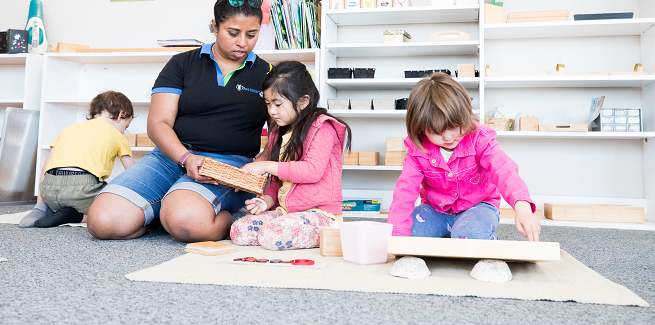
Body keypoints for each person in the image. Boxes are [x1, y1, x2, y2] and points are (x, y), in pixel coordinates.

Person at [87, 0, 271, 242]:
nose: (242, 42)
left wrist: (259, 164)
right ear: (214, 26)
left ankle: (229, 216)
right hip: (170, 158)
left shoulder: (268, 74)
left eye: (251, 34)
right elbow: (158, 123)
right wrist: (185, 159)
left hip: (227, 164)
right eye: (233, 33)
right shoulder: (181, 64)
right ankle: (164, 211)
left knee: (187, 223)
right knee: (103, 222)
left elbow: (281, 133)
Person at [387, 73, 541, 242]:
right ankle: (447, 234)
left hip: (479, 207)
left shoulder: (480, 139)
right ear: (421, 129)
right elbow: (405, 191)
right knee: (410, 233)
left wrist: (522, 205)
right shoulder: (418, 150)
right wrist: (398, 237)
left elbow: (504, 171)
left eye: (453, 127)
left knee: (470, 234)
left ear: (464, 116)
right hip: (436, 210)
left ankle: (465, 236)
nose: (447, 137)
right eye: (435, 132)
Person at [230, 60, 352, 251]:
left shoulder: (322, 128)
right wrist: (264, 202)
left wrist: (265, 165)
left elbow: (312, 171)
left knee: (272, 234)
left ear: (303, 101)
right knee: (239, 231)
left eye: (278, 104)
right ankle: (279, 227)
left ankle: (330, 233)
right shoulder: (278, 133)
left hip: (321, 215)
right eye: (268, 104)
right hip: (287, 212)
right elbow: (277, 182)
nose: (271, 111)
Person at [19, 91, 135, 228]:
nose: (123, 131)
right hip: (82, 191)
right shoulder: (118, 135)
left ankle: (45, 210)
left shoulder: (68, 130)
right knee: (115, 207)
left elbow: (46, 166)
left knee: (59, 193)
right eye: (126, 127)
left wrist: (40, 204)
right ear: (121, 115)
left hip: (50, 191)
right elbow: (133, 173)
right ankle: (77, 216)